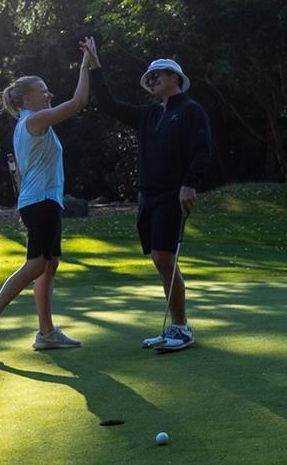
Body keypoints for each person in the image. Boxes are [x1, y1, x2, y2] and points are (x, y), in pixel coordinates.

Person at [82, 37, 212, 352]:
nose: (152, 81)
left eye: (157, 75)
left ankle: (181, 327)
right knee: (159, 259)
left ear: (174, 78)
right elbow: (108, 104)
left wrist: (189, 183)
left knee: (163, 257)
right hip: (148, 195)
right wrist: (96, 68)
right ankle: (175, 326)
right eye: (149, 77)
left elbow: (202, 150)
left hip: (172, 193)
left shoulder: (191, 110)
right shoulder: (150, 114)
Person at [0, 40, 95, 358]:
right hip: (40, 203)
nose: (48, 95)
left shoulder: (31, 124)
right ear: (26, 99)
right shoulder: (33, 121)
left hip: (43, 202)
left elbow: (26, 172)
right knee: (37, 264)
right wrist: (85, 64)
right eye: (43, 91)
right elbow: (79, 101)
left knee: (49, 265)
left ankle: (46, 333)